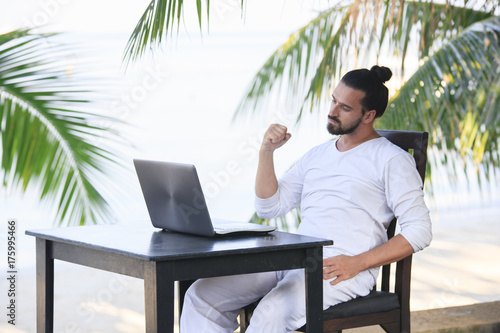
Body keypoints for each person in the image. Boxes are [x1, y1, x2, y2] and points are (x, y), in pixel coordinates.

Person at [180, 65, 432, 333]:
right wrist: (266, 151)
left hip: (341, 269)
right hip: (294, 259)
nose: (332, 111)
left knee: (272, 312)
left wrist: (358, 263)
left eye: (345, 108)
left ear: (369, 115)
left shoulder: (392, 160)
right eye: (333, 100)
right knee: (202, 294)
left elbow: (420, 231)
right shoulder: (318, 155)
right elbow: (269, 205)